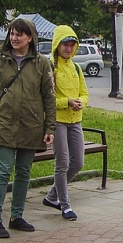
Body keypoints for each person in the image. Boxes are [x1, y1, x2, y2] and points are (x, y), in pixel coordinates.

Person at [0, 18, 56, 238]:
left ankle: (16, 216)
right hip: (3, 123)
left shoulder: (42, 63)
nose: (14, 38)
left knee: (23, 173)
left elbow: (49, 97)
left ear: (30, 37)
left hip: (30, 126)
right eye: (12, 34)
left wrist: (49, 127)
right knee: (3, 171)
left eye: (19, 35)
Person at [41, 25, 88, 220]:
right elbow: (47, 98)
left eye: (72, 45)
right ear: (57, 45)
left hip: (75, 120)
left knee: (77, 162)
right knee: (62, 162)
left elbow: (84, 93)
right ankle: (65, 204)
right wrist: (65, 102)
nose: (68, 49)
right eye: (65, 45)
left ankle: (52, 195)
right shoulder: (50, 66)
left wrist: (80, 102)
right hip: (57, 120)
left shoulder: (76, 67)